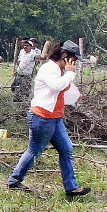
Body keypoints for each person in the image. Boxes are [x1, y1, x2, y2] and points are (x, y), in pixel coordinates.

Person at [7, 42, 91, 199]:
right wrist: (70, 74)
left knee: (66, 149)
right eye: (73, 60)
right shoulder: (49, 69)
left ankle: (71, 187)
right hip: (42, 117)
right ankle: (14, 180)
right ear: (65, 56)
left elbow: (63, 90)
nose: (75, 64)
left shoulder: (59, 70)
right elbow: (56, 86)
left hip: (54, 117)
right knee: (34, 151)